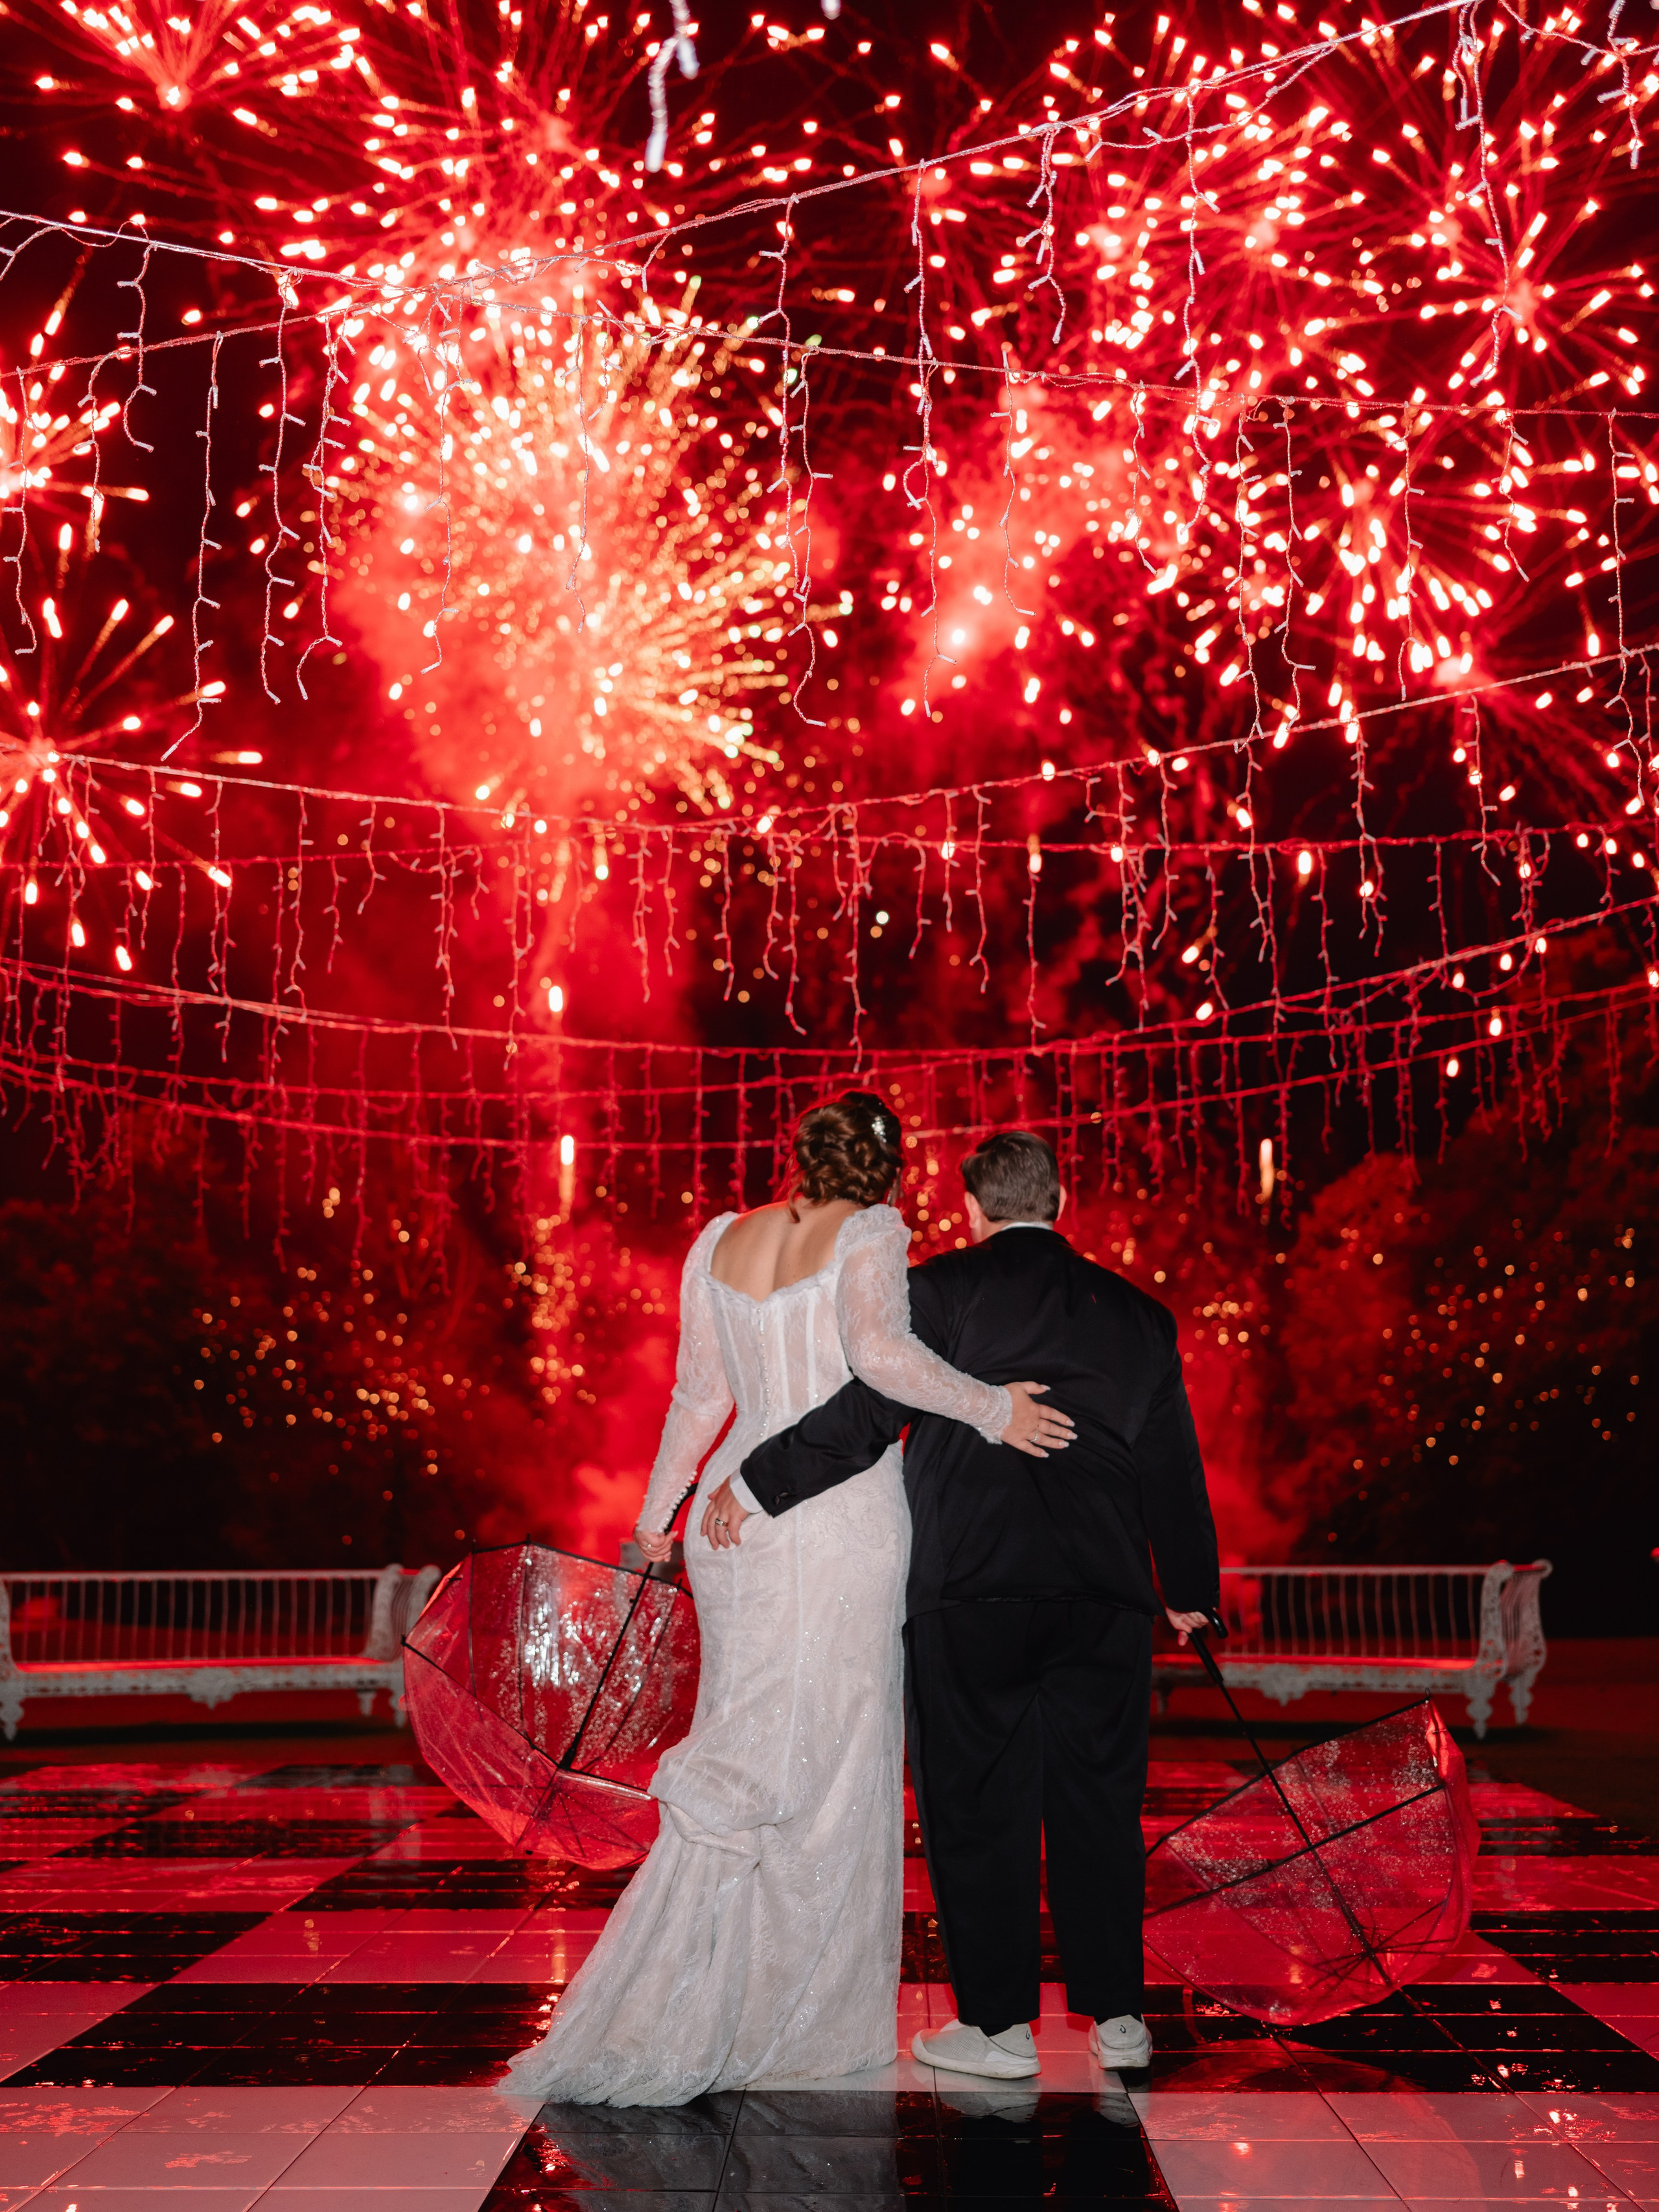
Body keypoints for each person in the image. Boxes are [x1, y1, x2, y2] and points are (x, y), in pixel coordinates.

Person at [500, 1093, 1073, 2108]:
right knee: (835, 1765)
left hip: (735, 1520)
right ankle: (800, 2020)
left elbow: (696, 1396)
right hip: (840, 1521)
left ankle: (704, 1999)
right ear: (886, 1169)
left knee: (749, 1745)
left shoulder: (719, 1237)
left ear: (801, 1156)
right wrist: (994, 1408)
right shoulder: (873, 1231)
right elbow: (881, 1361)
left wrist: (651, 1522)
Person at [720, 1128, 1220, 2084]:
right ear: (1063, 1199)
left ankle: (996, 2030)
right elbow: (1171, 1468)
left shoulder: (940, 1291)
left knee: (976, 1807)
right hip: (1104, 1597)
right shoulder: (1140, 1318)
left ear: (975, 1209)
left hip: (970, 1588)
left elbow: (866, 1415)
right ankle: (1119, 2017)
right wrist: (1190, 1591)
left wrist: (752, 1482)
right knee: (1100, 1805)